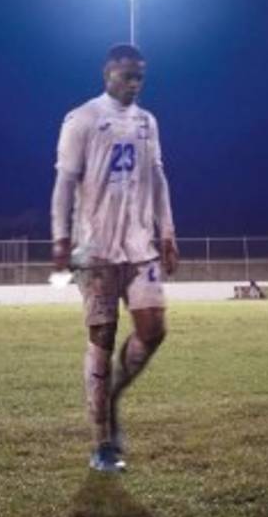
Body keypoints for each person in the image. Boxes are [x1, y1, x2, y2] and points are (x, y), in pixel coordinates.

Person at [51, 44, 178, 473]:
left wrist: (168, 230)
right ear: (108, 73)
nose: (135, 82)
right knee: (102, 339)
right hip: (97, 249)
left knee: (153, 329)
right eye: (127, 75)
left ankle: (114, 396)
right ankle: (102, 441)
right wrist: (60, 238)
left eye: (141, 75)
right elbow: (65, 182)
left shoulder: (148, 122)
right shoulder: (82, 118)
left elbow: (158, 177)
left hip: (141, 248)